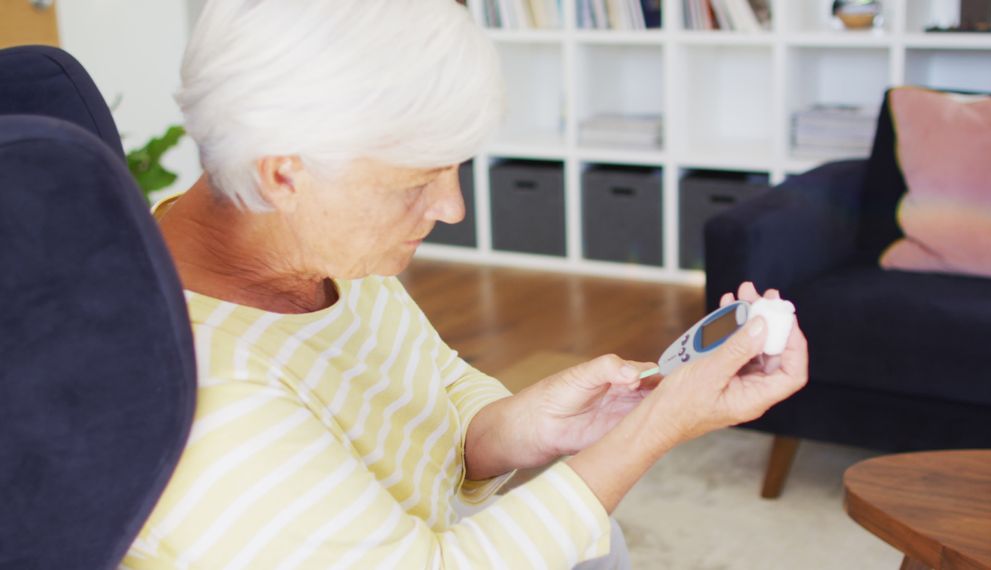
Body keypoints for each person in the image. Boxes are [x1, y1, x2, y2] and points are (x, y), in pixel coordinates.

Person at [122, 0, 808, 568]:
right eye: (417, 181)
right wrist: (656, 429)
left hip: (444, 530)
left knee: (600, 545)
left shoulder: (322, 252)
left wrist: (544, 425)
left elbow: (436, 386)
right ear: (285, 174)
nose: (453, 208)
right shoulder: (206, 393)